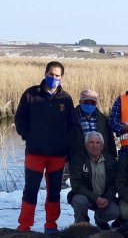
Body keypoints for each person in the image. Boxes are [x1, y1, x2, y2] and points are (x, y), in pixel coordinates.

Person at [15, 61, 75, 234]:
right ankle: (24, 226)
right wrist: (29, 136)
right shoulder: (31, 94)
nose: (53, 78)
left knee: (54, 192)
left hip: (57, 155)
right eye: (51, 74)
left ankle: (51, 225)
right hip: (35, 152)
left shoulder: (66, 98)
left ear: (62, 78)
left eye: (57, 75)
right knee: (30, 190)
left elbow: (72, 125)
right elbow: (20, 119)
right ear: (45, 73)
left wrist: (66, 144)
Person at [68, 132, 119, 230]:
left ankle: (100, 220)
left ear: (102, 145)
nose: (95, 146)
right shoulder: (77, 160)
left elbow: (114, 184)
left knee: (115, 211)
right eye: (91, 142)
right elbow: (76, 185)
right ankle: (81, 224)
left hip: (104, 197)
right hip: (85, 196)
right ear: (86, 145)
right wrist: (95, 198)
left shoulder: (110, 160)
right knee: (79, 201)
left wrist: (107, 198)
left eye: (97, 143)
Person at [71, 89, 116, 157]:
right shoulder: (72, 118)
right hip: (79, 157)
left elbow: (110, 140)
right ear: (80, 102)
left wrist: (112, 156)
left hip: (100, 157)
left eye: (92, 102)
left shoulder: (103, 119)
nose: (89, 104)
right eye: (86, 102)